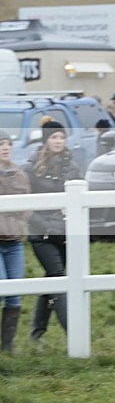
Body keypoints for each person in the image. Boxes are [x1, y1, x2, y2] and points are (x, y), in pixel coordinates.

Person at [24, 117, 80, 348]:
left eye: (62, 137)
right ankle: (75, 335)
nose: (58, 141)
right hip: (42, 234)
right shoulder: (32, 167)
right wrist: (43, 226)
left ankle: (36, 333)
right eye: (54, 137)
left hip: (65, 233)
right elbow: (25, 205)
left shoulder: (73, 166)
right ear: (46, 141)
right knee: (58, 277)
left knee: (51, 278)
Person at [0, 130, 31, 354]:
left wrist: (16, 222)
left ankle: (7, 345)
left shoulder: (20, 175)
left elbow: (27, 207)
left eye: (8, 144)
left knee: (16, 292)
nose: (5, 147)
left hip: (15, 241)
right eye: (1, 144)